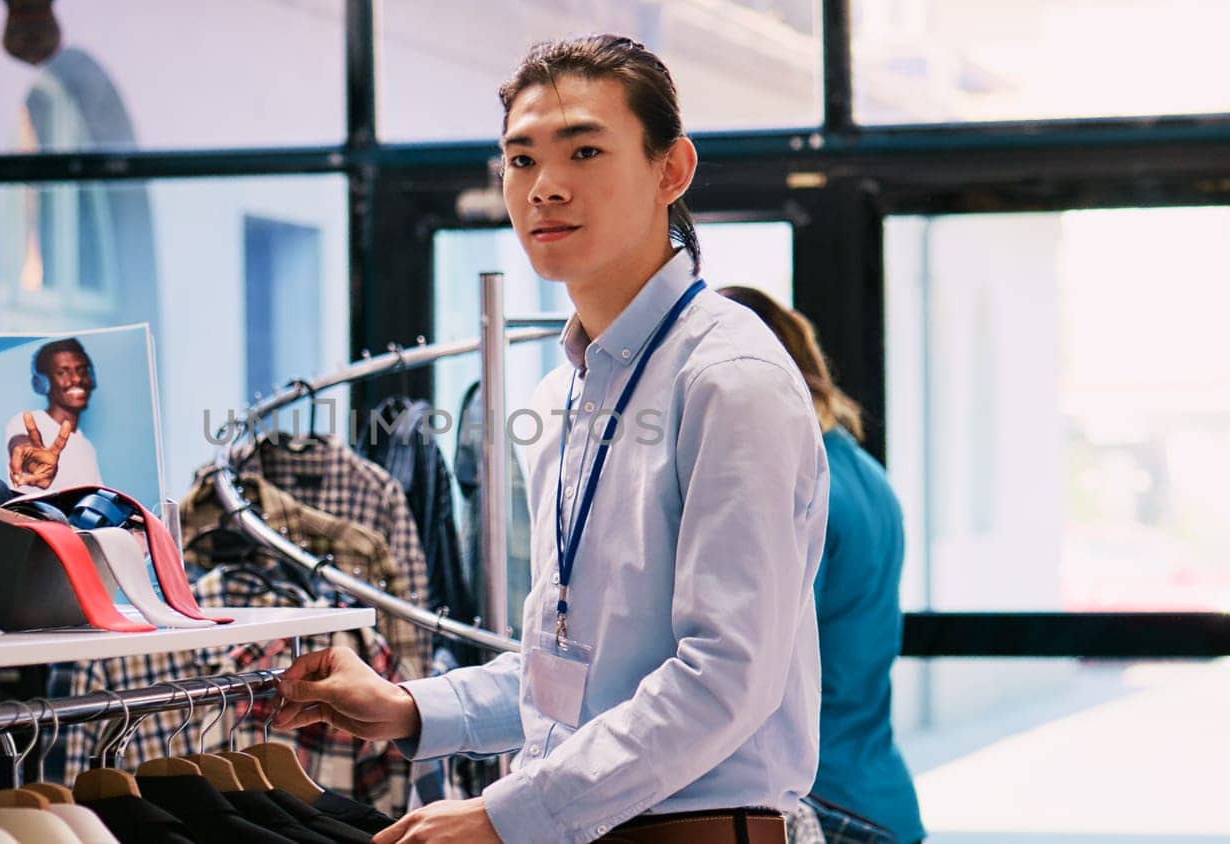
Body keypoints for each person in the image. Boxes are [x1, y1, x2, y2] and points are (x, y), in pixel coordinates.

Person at [274, 35, 829, 844]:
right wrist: (408, 707)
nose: (546, 188)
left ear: (671, 170)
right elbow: (571, 683)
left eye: (586, 150)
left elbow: (725, 678)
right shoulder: (561, 395)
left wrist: (508, 817)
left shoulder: (728, 377)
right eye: (521, 159)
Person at [716, 286, 925, 844]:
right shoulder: (859, 469)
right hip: (877, 796)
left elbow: (753, 670)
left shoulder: (801, 486)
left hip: (827, 812)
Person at [5, 337, 105, 491]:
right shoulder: (27, 421)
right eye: (62, 372)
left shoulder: (87, 446)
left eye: (82, 371)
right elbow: (20, 446)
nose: (77, 378)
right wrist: (32, 461)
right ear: (42, 383)